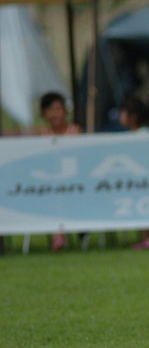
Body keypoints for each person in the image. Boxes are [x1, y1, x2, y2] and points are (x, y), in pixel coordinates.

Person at [119, 94, 149, 249]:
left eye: (123, 112)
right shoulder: (132, 134)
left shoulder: (144, 134)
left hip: (148, 180)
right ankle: (148, 237)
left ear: (133, 116)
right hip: (139, 181)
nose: (120, 116)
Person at [39, 92, 82, 251]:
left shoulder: (75, 131)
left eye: (58, 109)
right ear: (43, 114)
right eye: (50, 110)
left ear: (65, 111)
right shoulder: (42, 136)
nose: (55, 114)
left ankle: (60, 234)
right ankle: (58, 234)